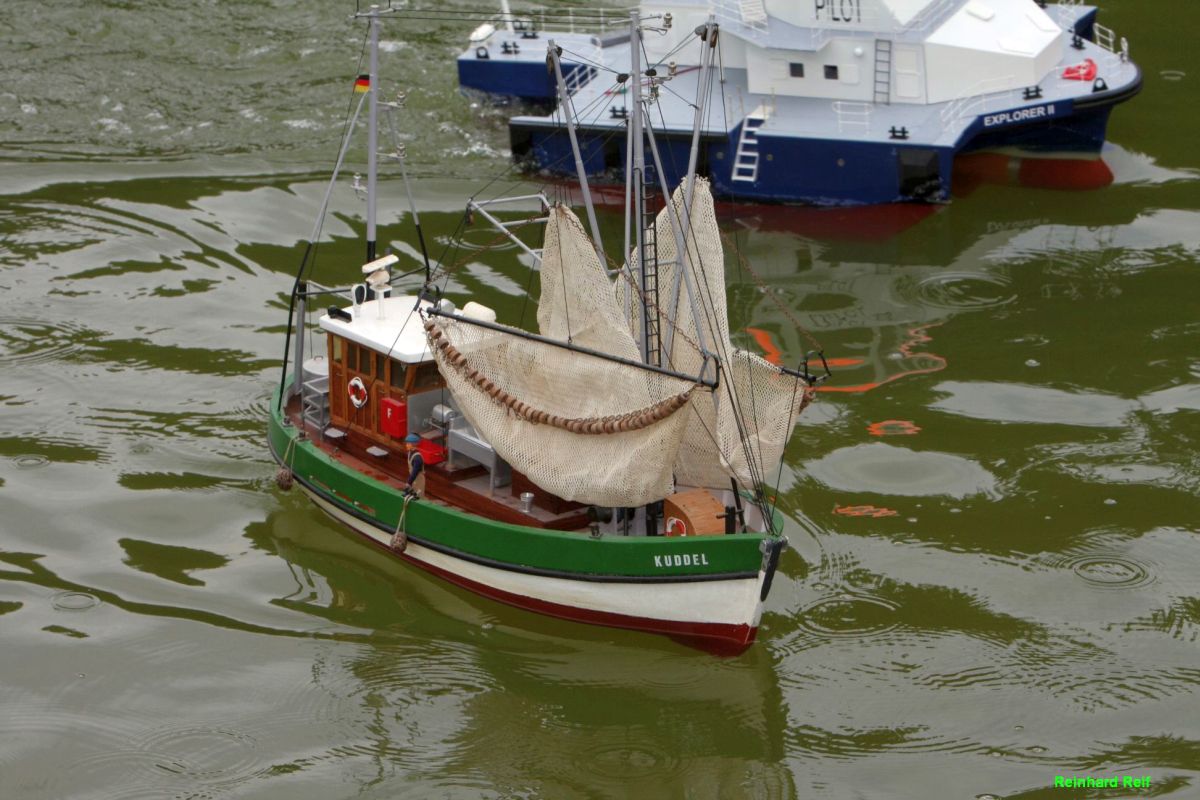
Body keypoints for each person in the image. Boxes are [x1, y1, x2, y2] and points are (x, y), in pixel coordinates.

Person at [402, 433, 425, 499]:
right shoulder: (410, 452)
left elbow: (414, 472)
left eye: (408, 444)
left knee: (418, 498)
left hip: (418, 480)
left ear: (413, 445)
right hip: (413, 479)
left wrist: (408, 483)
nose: (406, 445)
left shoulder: (417, 458)